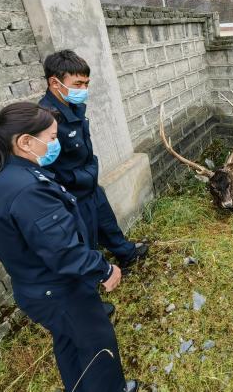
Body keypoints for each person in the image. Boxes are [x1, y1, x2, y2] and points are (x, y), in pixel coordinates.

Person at [0, 102, 139, 392]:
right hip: (61, 291)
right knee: (98, 348)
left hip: (38, 289)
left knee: (71, 344)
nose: (56, 142)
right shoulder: (28, 189)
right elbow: (63, 251)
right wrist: (104, 269)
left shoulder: (3, 178)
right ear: (25, 142)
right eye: (51, 137)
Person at [39, 51, 148, 299]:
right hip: (73, 194)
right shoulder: (45, 118)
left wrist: (91, 172)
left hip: (89, 183)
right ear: (54, 83)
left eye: (86, 83)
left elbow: (84, 150)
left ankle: (127, 254)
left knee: (107, 223)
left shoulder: (74, 106)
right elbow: (48, 168)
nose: (84, 89)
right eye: (77, 84)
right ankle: (94, 287)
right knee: (84, 243)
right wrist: (77, 182)